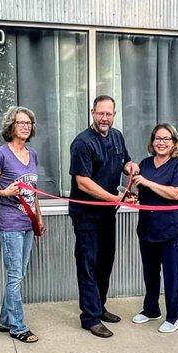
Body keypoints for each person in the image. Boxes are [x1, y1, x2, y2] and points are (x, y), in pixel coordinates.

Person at [69, 95, 139, 338]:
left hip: (108, 213)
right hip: (87, 215)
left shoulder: (117, 136)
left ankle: (99, 307)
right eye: (101, 113)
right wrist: (115, 198)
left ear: (114, 115)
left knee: (105, 262)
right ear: (92, 112)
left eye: (109, 114)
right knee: (88, 264)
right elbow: (83, 182)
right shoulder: (82, 143)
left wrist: (130, 167)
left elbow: (125, 161)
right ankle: (89, 318)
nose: (105, 118)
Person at [0, 106, 43, 343]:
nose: (26, 126)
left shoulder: (32, 154)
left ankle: (6, 320)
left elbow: (33, 191)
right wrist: (4, 192)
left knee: (19, 274)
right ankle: (18, 326)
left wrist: (39, 215)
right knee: (15, 275)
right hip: (10, 224)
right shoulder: (1, 154)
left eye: (29, 123)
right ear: (11, 127)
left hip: (28, 223)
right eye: (21, 123)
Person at [131, 124, 178, 333]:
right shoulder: (145, 163)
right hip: (148, 227)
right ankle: (151, 309)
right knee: (150, 273)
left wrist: (147, 183)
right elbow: (142, 193)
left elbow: (176, 194)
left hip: (172, 229)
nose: (161, 142)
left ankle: (174, 317)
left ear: (174, 142)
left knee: (172, 274)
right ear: (152, 141)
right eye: (158, 138)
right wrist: (133, 195)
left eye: (166, 139)